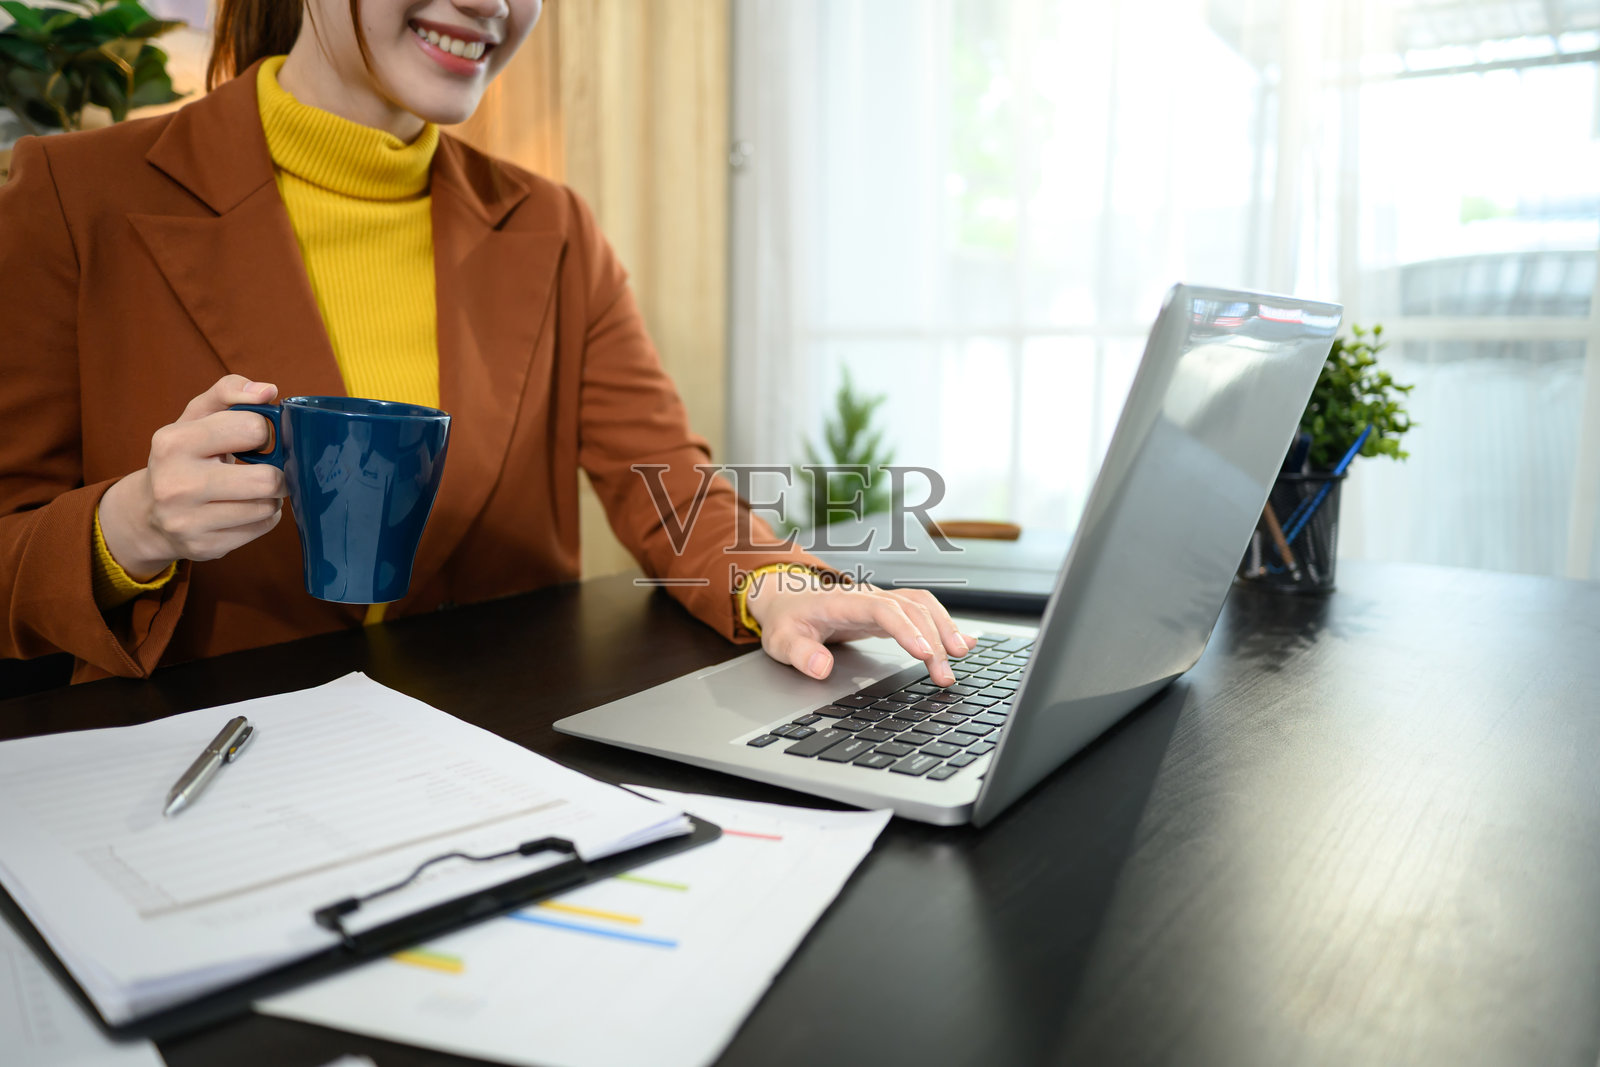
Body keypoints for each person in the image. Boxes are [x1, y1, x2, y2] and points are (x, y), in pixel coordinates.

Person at [0, 0, 974, 685]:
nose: (489, 2)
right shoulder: (70, 196)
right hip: (192, 776)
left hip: (485, 762)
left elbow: (668, 484)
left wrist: (781, 586)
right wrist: (127, 526)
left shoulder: (551, 227)